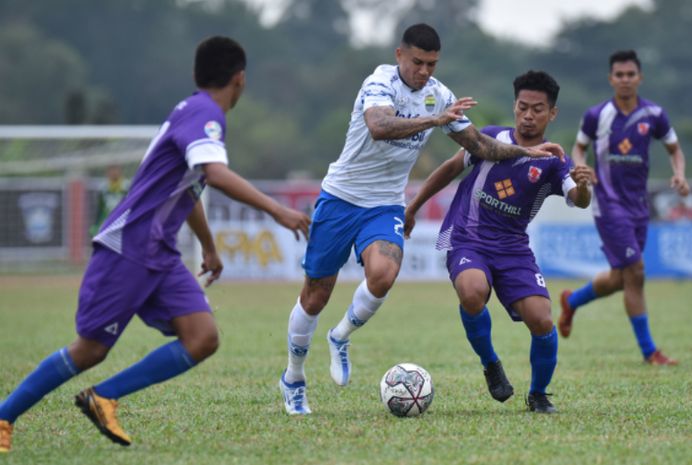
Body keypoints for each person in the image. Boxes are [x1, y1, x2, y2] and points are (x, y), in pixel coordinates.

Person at [0, 36, 310, 452]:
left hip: (157, 252)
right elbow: (213, 175)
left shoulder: (194, 112)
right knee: (90, 349)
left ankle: (103, 396)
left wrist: (210, 246)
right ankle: (4, 416)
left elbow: (189, 187)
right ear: (240, 79)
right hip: (128, 247)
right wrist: (277, 211)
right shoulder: (204, 113)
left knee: (202, 337)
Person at [279, 24, 565, 415]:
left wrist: (525, 154)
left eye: (432, 64)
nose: (425, 71)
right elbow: (379, 127)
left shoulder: (439, 96)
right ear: (400, 55)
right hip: (341, 198)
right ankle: (294, 377)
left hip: (384, 204)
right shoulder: (379, 83)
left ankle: (340, 335)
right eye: (418, 63)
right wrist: (434, 120)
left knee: (383, 275)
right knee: (315, 295)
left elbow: (479, 144)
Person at [404, 70, 593, 413]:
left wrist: (585, 184)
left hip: (512, 247)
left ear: (552, 114)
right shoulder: (490, 139)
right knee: (473, 291)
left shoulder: (554, 160)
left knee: (542, 319)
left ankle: (538, 394)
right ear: (515, 106)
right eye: (523, 107)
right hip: (468, 238)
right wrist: (413, 206)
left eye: (538, 109)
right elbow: (448, 169)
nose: (528, 115)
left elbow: (579, 200)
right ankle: (490, 362)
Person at [558, 50, 690, 366]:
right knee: (637, 273)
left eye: (631, 74)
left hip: (638, 205)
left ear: (639, 78)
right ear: (611, 79)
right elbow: (579, 147)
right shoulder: (597, 114)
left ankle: (572, 301)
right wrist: (580, 168)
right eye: (619, 75)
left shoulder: (655, 114)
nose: (625, 80)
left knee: (622, 278)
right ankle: (649, 351)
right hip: (608, 203)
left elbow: (675, 150)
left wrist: (680, 174)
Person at [89, 164, 129, 237]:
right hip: (109, 223)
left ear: (120, 172)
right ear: (107, 173)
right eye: (111, 170)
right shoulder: (104, 189)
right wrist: (95, 225)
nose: (114, 173)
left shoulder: (126, 187)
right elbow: (100, 209)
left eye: (116, 170)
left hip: (123, 222)